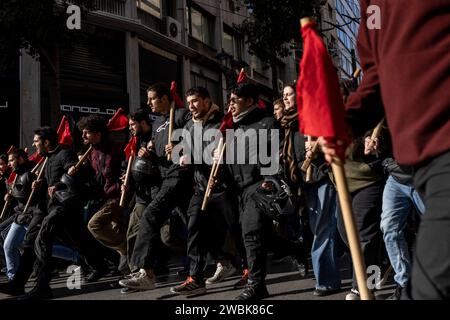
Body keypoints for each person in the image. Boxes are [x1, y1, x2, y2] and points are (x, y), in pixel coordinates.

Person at [320, 0, 450, 299]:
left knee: (430, 286)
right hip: (418, 161)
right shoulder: (374, 8)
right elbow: (376, 75)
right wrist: (346, 124)